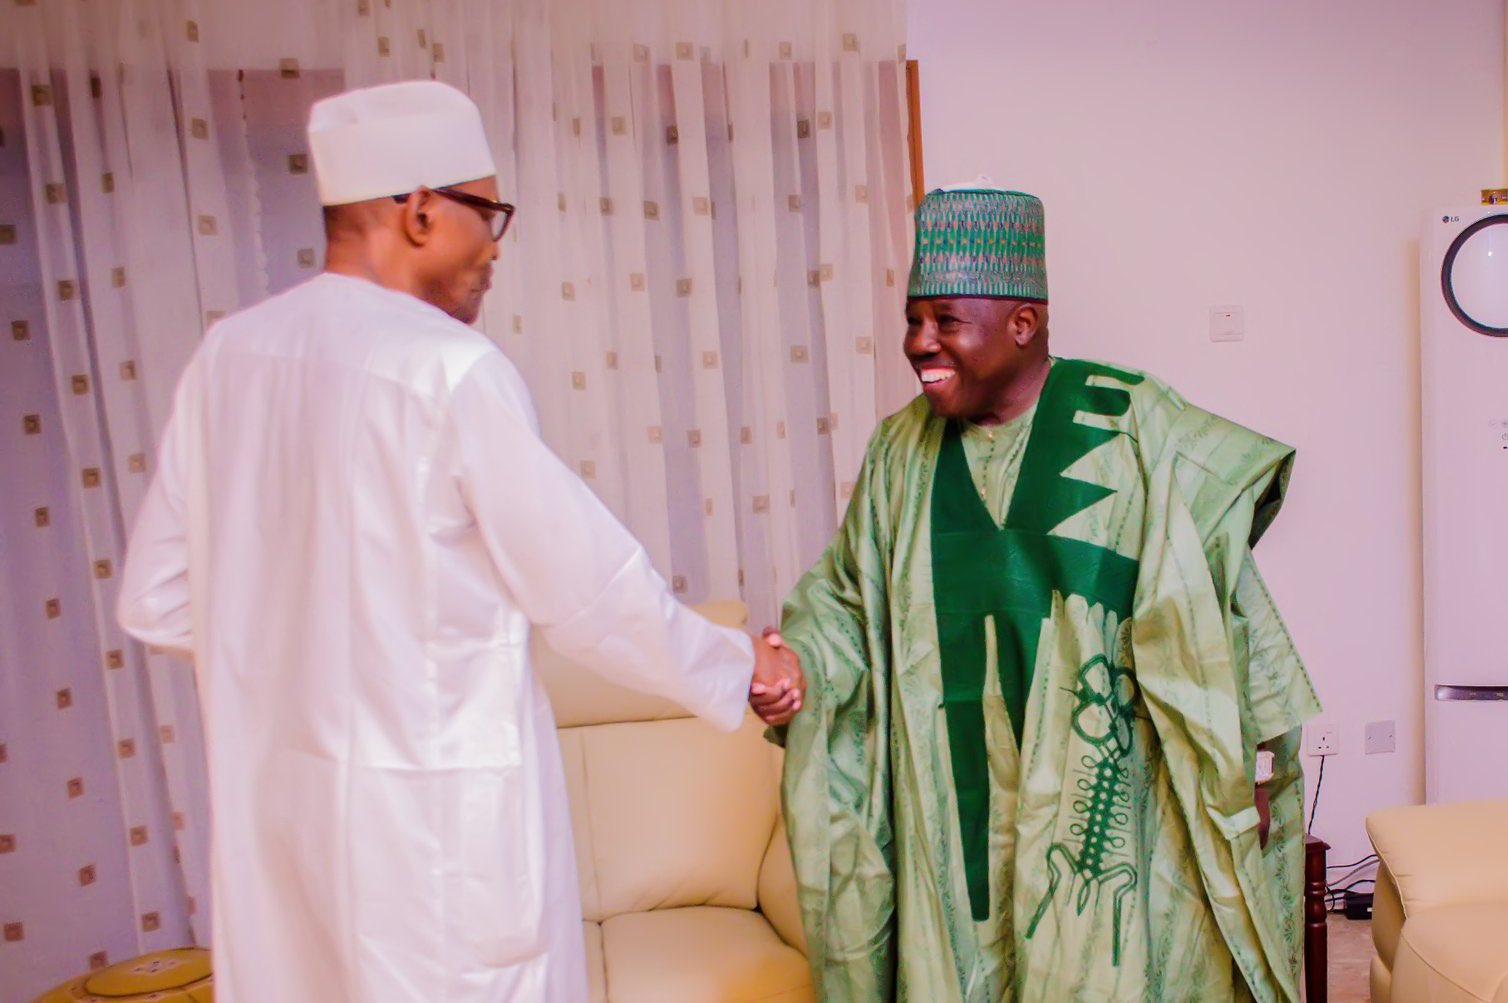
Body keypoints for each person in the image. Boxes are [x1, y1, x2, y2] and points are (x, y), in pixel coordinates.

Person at [117, 80, 801, 1003]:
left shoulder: (228, 359)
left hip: (288, 846)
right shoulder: (445, 368)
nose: (495, 246)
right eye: (489, 214)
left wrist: (293, 660)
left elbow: (158, 600)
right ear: (420, 210)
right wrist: (744, 665)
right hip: (436, 859)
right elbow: (590, 592)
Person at [758, 182, 1320, 1001]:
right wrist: (799, 664)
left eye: (945, 320)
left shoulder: (1130, 420)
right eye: (912, 320)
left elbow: (1224, 599)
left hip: (1112, 822)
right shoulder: (900, 453)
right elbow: (848, 601)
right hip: (953, 835)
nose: (919, 343)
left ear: (1022, 323)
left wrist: (1257, 768)